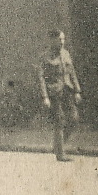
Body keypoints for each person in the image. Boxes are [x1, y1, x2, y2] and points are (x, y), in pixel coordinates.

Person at [38, 29, 82, 162]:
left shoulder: (66, 54)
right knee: (59, 121)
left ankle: (57, 145)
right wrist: (45, 97)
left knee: (74, 119)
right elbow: (41, 78)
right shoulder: (44, 57)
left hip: (67, 90)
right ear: (52, 41)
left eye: (63, 39)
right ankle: (60, 154)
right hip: (54, 92)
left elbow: (72, 72)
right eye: (59, 40)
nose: (62, 42)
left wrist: (77, 91)